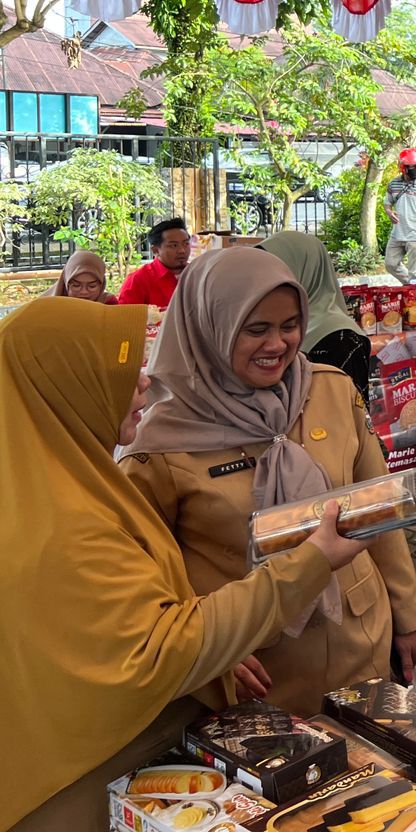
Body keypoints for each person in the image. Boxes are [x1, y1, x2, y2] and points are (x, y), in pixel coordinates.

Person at [1, 299, 371, 830]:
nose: (145, 386)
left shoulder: (50, 476)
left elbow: (119, 615)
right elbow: (156, 649)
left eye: (289, 326)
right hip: (95, 783)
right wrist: (307, 564)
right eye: (123, 375)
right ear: (70, 387)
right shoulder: (67, 520)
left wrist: (206, 642)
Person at [123, 249, 416, 716]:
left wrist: (409, 616)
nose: (279, 345)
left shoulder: (329, 389)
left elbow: (379, 509)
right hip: (255, 668)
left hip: (359, 640)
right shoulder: (161, 439)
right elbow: (142, 570)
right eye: (256, 329)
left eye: (290, 325)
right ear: (209, 328)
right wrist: (201, 646)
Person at [261, 230, 370, 396]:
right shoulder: (273, 324)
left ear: (306, 272)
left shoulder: (343, 340)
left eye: (277, 272)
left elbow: (351, 412)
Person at [383, 149, 416, 284]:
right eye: (413, 166)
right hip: (397, 234)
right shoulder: (394, 184)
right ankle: (412, 284)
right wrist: (389, 212)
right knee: (390, 264)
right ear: (403, 168)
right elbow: (387, 204)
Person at [118, 217, 191, 308]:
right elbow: (127, 318)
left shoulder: (198, 274)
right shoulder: (138, 280)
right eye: (174, 245)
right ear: (155, 250)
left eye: (186, 244)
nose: (182, 250)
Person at [51, 248, 115, 303]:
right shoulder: (47, 306)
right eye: (76, 286)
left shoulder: (109, 304)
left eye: (92, 286)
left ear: (101, 285)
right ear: (66, 284)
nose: (84, 292)